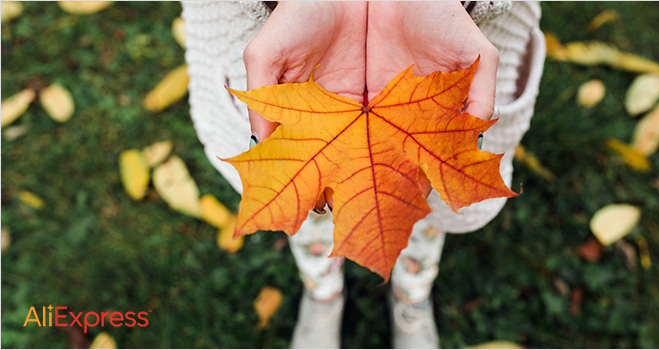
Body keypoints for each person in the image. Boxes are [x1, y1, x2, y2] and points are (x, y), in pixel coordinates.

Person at [181, 1, 545, 348]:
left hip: (445, 40)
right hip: (280, 39)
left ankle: (411, 293)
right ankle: (323, 291)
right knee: (307, 205)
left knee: (428, 204)